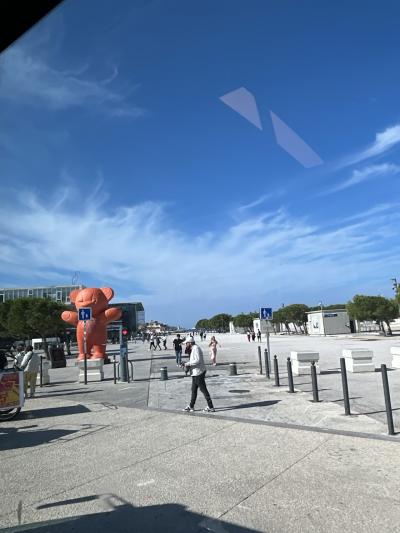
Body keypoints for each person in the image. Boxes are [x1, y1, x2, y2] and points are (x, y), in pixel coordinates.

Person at [182, 338, 215, 412]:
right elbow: (194, 360)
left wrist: (187, 364)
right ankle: (191, 406)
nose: (185, 345)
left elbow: (197, 360)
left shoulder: (196, 348)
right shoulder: (193, 348)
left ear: (190, 343)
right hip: (195, 373)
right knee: (194, 390)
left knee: (204, 390)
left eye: (186, 343)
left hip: (198, 373)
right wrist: (187, 364)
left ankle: (211, 407)